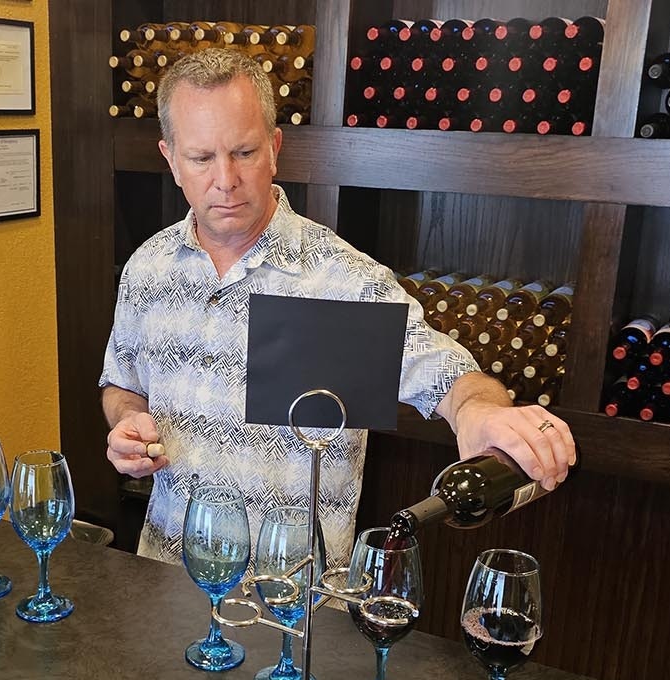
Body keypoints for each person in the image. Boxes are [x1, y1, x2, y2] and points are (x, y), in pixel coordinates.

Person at [99, 48, 575, 567]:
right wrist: (128, 424)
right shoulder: (147, 268)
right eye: (201, 158)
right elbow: (122, 384)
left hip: (292, 607)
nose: (226, 179)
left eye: (244, 152)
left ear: (275, 149)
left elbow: (448, 373)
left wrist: (478, 411)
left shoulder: (340, 278)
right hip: (165, 574)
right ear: (170, 159)